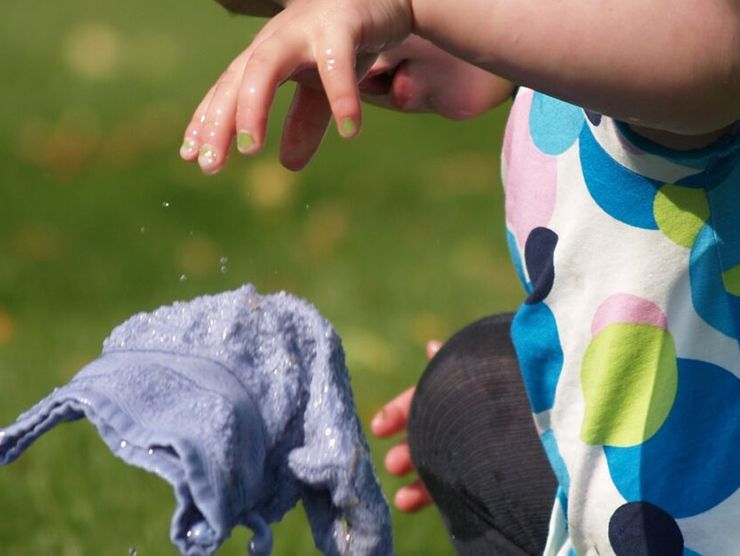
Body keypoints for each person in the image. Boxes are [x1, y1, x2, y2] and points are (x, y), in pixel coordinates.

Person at [180, 0, 740, 553]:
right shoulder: (545, 113)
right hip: (661, 498)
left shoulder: (656, 63)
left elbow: (715, 53)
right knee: (464, 398)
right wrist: (554, 378)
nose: (356, 47)